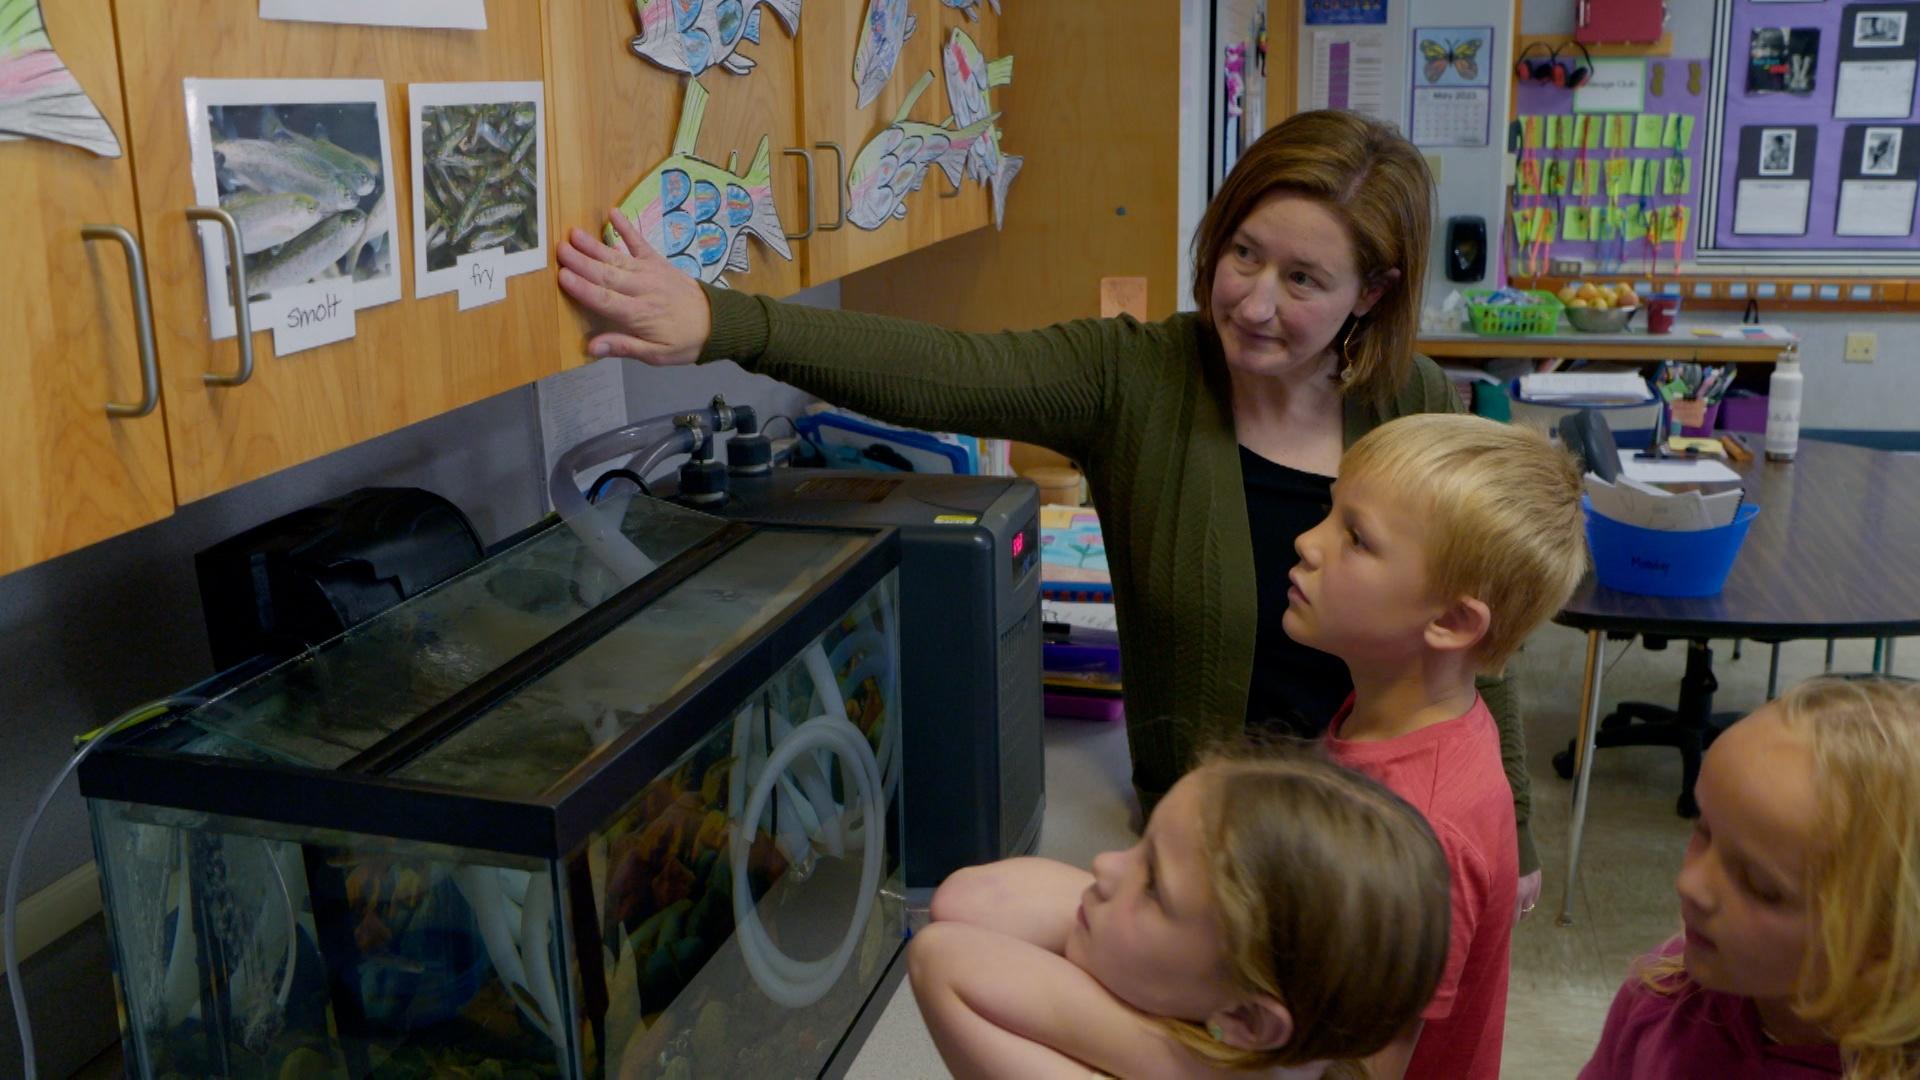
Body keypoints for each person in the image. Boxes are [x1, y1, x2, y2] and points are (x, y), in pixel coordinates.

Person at [555, 109, 1544, 909]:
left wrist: (1516, 833)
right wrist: (726, 322)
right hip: (1211, 850)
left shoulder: (1408, 401)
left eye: (1303, 280)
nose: (1251, 301)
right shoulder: (1137, 376)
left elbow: (1471, 636)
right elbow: (944, 372)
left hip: (1385, 841)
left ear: (1371, 291)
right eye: (1243, 253)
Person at [1283, 413, 1588, 1078]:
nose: (1308, 541)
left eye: (1355, 538)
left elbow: (1359, 1068)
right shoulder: (1393, 720)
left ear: (1451, 620)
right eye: (1330, 514)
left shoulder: (1423, 827)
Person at [908, 746, 1451, 1080]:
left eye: (1154, 890)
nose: (1102, 863)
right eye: (1141, 846)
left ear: (1245, 1020)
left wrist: (1180, 1065)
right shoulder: (1262, 1036)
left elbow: (944, 959)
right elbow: (967, 902)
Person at [1581, 676, 1920, 1079]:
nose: (1690, 884)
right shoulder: (1663, 992)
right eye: (1703, 830)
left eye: (1761, 886)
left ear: (1886, 948)